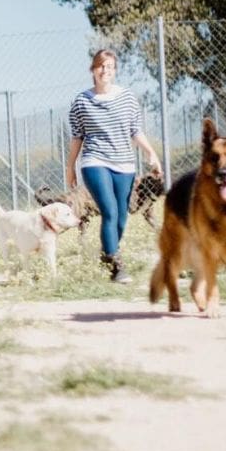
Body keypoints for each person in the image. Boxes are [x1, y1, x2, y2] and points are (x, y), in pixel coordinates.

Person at [66, 48, 161, 283]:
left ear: (115, 70)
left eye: (109, 66)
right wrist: (70, 167)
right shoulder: (81, 102)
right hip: (94, 161)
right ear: (93, 69)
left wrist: (151, 154)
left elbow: (135, 131)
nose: (104, 70)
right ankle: (118, 267)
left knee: (120, 218)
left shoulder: (127, 98)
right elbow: (77, 136)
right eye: (100, 66)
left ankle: (107, 254)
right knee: (109, 211)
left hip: (125, 164)